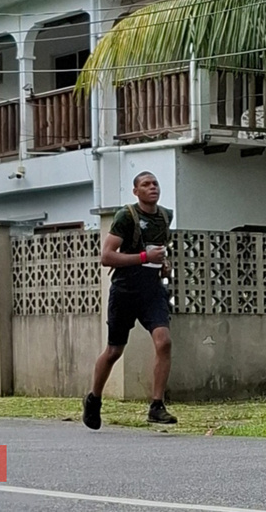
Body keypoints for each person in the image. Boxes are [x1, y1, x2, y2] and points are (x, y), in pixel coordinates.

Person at [83, 171, 178, 429]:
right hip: (125, 289)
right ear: (136, 192)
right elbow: (106, 257)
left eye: (155, 183)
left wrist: (163, 265)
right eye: (146, 185)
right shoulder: (126, 216)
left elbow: (158, 251)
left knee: (164, 342)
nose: (152, 187)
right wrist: (144, 258)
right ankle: (93, 399)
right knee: (114, 351)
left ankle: (157, 405)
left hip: (152, 290)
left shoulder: (165, 216)